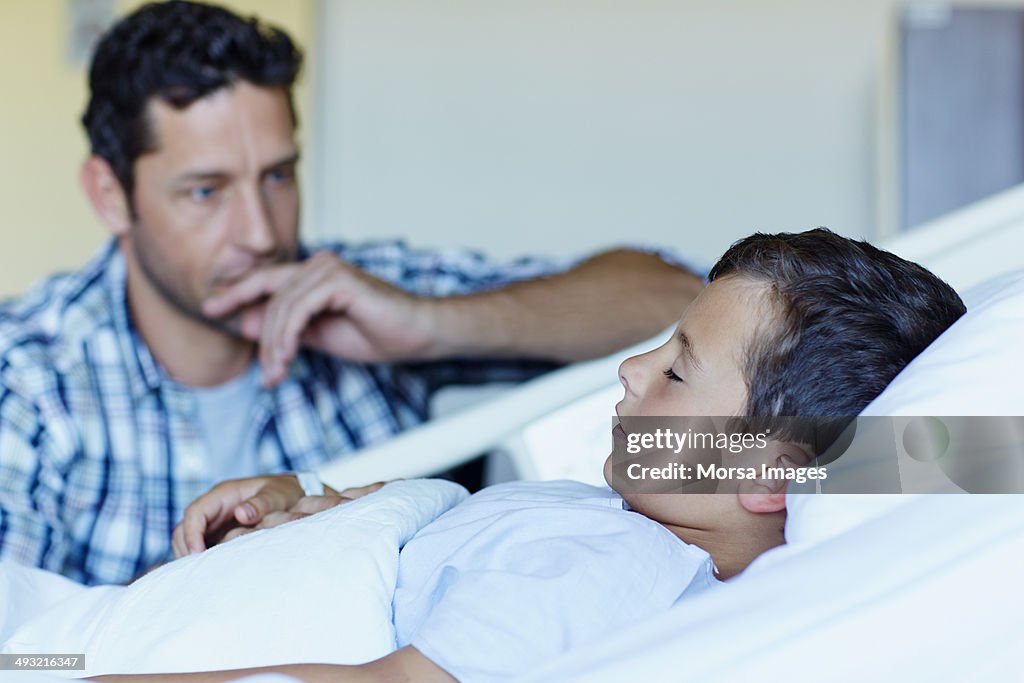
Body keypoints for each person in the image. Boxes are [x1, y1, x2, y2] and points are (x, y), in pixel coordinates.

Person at [0, 1, 702, 585]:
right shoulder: (26, 373)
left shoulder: (358, 290)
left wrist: (431, 326)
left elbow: (690, 302)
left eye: (277, 176)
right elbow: (21, 655)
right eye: (206, 191)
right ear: (109, 195)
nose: (258, 231)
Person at [99, 228, 965, 683]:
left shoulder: (614, 565)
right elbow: (440, 540)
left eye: (674, 369)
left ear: (771, 473)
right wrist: (311, 499)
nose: (630, 369)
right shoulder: (607, 514)